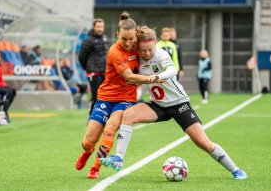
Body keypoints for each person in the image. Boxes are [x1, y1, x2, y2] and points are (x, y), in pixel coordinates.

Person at [100, 26, 247, 180]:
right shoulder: (137, 56)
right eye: (143, 50)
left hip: (179, 104)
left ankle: (236, 170)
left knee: (203, 143)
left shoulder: (161, 54)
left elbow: (172, 70)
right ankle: (118, 159)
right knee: (128, 115)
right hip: (158, 105)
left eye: (150, 49)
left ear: (155, 43)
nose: (147, 53)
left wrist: (156, 77)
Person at [75, 12, 162, 179]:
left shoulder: (139, 46)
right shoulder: (114, 51)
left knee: (111, 128)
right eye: (124, 39)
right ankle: (88, 152)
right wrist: (152, 79)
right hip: (106, 97)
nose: (129, 43)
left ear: (135, 34)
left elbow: (152, 52)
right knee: (88, 141)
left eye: (131, 39)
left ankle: (95, 168)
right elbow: (129, 76)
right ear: (117, 35)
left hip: (126, 99)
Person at [78, 18, 108, 115]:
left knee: (104, 94)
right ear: (94, 27)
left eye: (101, 27)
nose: (100, 29)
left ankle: (101, 115)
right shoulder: (88, 40)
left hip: (104, 71)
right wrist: (88, 68)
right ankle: (91, 116)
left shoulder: (104, 38)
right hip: (93, 72)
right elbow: (81, 57)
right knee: (95, 95)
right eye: (98, 27)